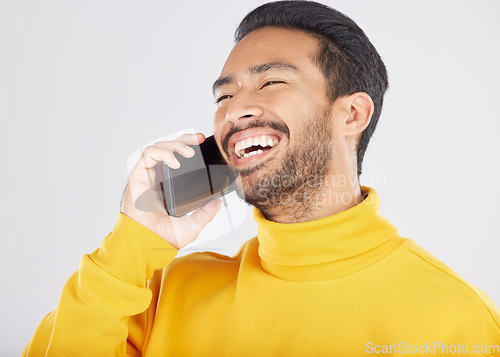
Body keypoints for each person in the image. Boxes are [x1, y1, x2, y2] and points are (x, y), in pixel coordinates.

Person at [23, 1, 500, 356]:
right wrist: (135, 242)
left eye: (271, 82)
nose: (235, 111)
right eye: (223, 96)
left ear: (352, 113)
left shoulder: (457, 319)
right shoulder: (160, 293)